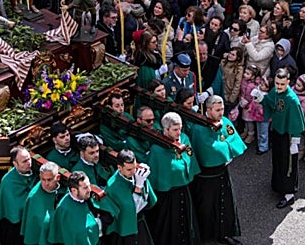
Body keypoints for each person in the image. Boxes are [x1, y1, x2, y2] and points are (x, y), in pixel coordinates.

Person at [188, 95, 246, 245]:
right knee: (206, 207)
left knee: (224, 205)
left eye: (222, 109)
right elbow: (210, 149)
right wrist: (227, 146)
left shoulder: (224, 121)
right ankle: (205, 236)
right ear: (208, 110)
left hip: (222, 172)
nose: (221, 113)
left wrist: (225, 146)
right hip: (207, 177)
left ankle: (224, 234)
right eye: (217, 110)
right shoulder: (199, 128)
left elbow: (233, 138)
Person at [255, 68, 305, 208]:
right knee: (278, 160)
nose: (279, 86)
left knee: (287, 164)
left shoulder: (292, 100)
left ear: (288, 82)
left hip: (288, 135)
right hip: (277, 131)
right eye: (277, 83)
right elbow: (269, 102)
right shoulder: (275, 92)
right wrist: (261, 99)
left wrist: (295, 141)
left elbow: (297, 122)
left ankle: (289, 194)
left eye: (282, 84)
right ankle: (278, 185)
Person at [145, 111, 198, 243]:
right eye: (175, 130)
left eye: (180, 128)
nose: (179, 132)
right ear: (166, 129)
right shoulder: (157, 149)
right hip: (167, 195)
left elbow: (189, 157)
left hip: (183, 190)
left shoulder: (184, 138)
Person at [97, 150, 156, 244]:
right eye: (129, 169)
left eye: (134, 167)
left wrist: (144, 179)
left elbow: (147, 201)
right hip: (125, 229)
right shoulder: (113, 186)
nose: (133, 172)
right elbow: (131, 210)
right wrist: (138, 187)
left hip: (140, 224)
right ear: (119, 167)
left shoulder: (136, 175)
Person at [47, 171, 103, 245]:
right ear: (74, 190)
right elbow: (76, 235)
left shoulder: (84, 196)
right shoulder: (65, 209)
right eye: (85, 188)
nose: (89, 190)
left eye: (89, 185)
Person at [0, 146, 35, 245]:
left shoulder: (35, 171)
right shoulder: (8, 182)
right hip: (15, 224)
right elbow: (15, 207)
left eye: (29, 159)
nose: (29, 163)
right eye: (24, 161)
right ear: (15, 164)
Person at [18, 162, 63, 245]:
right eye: (43, 179)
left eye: (49, 180)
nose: (46, 183)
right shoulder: (33, 198)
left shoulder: (65, 191)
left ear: (58, 177)